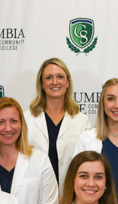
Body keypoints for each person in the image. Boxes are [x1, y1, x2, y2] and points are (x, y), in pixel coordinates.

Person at [25, 57, 92, 192]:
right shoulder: (26, 119)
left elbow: (87, 164)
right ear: (42, 84)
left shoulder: (82, 121)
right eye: (49, 78)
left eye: (60, 77)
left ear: (67, 82)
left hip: (70, 194)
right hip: (35, 193)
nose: (55, 82)